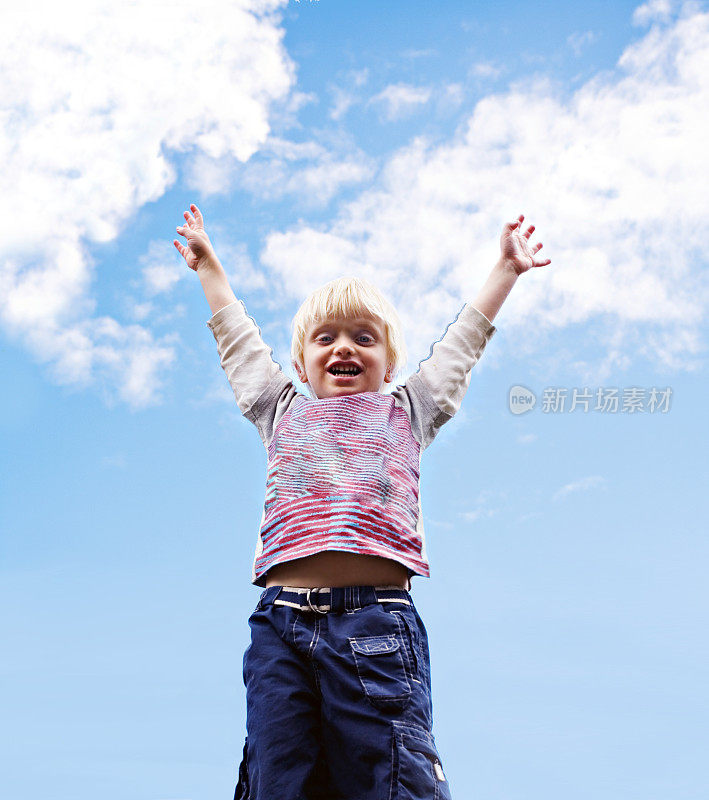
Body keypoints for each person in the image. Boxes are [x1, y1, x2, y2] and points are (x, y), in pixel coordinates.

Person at [174, 204, 550, 800]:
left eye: (363, 338)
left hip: (374, 621)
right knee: (279, 771)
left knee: (393, 770)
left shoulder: (408, 409)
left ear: (388, 363)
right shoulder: (281, 410)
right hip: (281, 624)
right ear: (301, 363)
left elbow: (461, 346)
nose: (343, 347)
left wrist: (505, 270)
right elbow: (239, 344)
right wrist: (208, 269)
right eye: (325, 338)